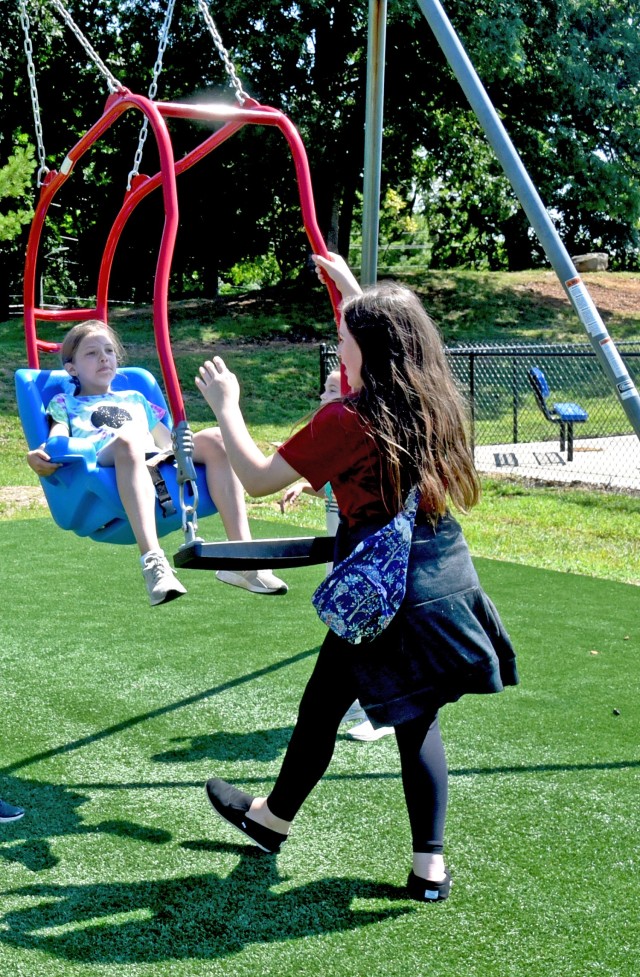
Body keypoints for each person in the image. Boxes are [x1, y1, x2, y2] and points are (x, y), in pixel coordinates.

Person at [195, 253, 518, 902]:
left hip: (383, 594)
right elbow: (385, 336)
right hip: (443, 575)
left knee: (334, 708)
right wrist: (350, 291)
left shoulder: (346, 420)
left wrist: (225, 406)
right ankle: (421, 866)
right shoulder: (432, 402)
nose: (337, 354)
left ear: (367, 353)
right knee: (403, 716)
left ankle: (273, 818)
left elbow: (257, 477)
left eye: (342, 343)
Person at [27, 320, 288, 606]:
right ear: (71, 369)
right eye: (91, 353)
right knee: (128, 440)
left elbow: (165, 442)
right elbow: (56, 439)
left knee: (215, 438)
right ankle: (154, 563)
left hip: (152, 457)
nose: (104, 357)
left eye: (109, 350)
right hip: (104, 460)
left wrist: (184, 446)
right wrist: (38, 455)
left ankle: (242, 560)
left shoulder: (136, 398)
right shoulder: (65, 402)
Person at [280, 368, 395, 745]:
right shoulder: (343, 428)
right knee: (351, 633)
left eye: (333, 389)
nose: (324, 396)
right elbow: (337, 482)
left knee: (370, 634)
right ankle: (362, 702)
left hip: (370, 560)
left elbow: (259, 477)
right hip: (349, 556)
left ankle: (380, 712)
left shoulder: (352, 424)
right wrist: (303, 485)